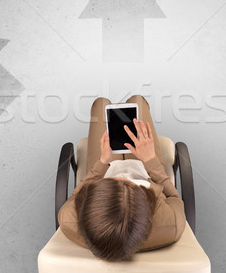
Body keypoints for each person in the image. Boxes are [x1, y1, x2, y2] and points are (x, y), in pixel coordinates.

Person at [58, 94, 186, 262]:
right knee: (137, 101)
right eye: (132, 184)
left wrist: (103, 162)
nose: (124, 176)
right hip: (146, 168)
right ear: (147, 206)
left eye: (113, 181)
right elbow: (174, 197)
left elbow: (75, 196)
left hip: (106, 164)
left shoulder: (69, 221)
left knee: (100, 104)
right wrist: (150, 160)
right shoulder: (170, 224)